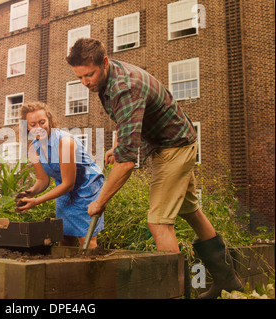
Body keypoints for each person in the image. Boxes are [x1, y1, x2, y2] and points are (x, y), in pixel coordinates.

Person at [66, 38, 243, 298]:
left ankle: (171, 294)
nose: (85, 83)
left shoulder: (125, 87)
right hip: (173, 141)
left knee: (158, 222)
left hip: (173, 147)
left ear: (104, 62)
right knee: (191, 211)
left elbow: (127, 164)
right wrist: (119, 144)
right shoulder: (109, 78)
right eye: (80, 77)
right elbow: (127, 119)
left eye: (89, 75)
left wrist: (100, 201)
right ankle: (229, 282)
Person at [15, 102, 105, 248]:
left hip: (86, 187)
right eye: (33, 124)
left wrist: (37, 201)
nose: (38, 127)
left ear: (49, 121)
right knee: (64, 237)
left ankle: (92, 268)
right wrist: (31, 193)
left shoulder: (65, 142)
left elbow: (69, 183)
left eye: (42, 122)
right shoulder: (34, 148)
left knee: (86, 240)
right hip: (63, 188)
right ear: (27, 127)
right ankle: (67, 270)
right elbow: (42, 180)